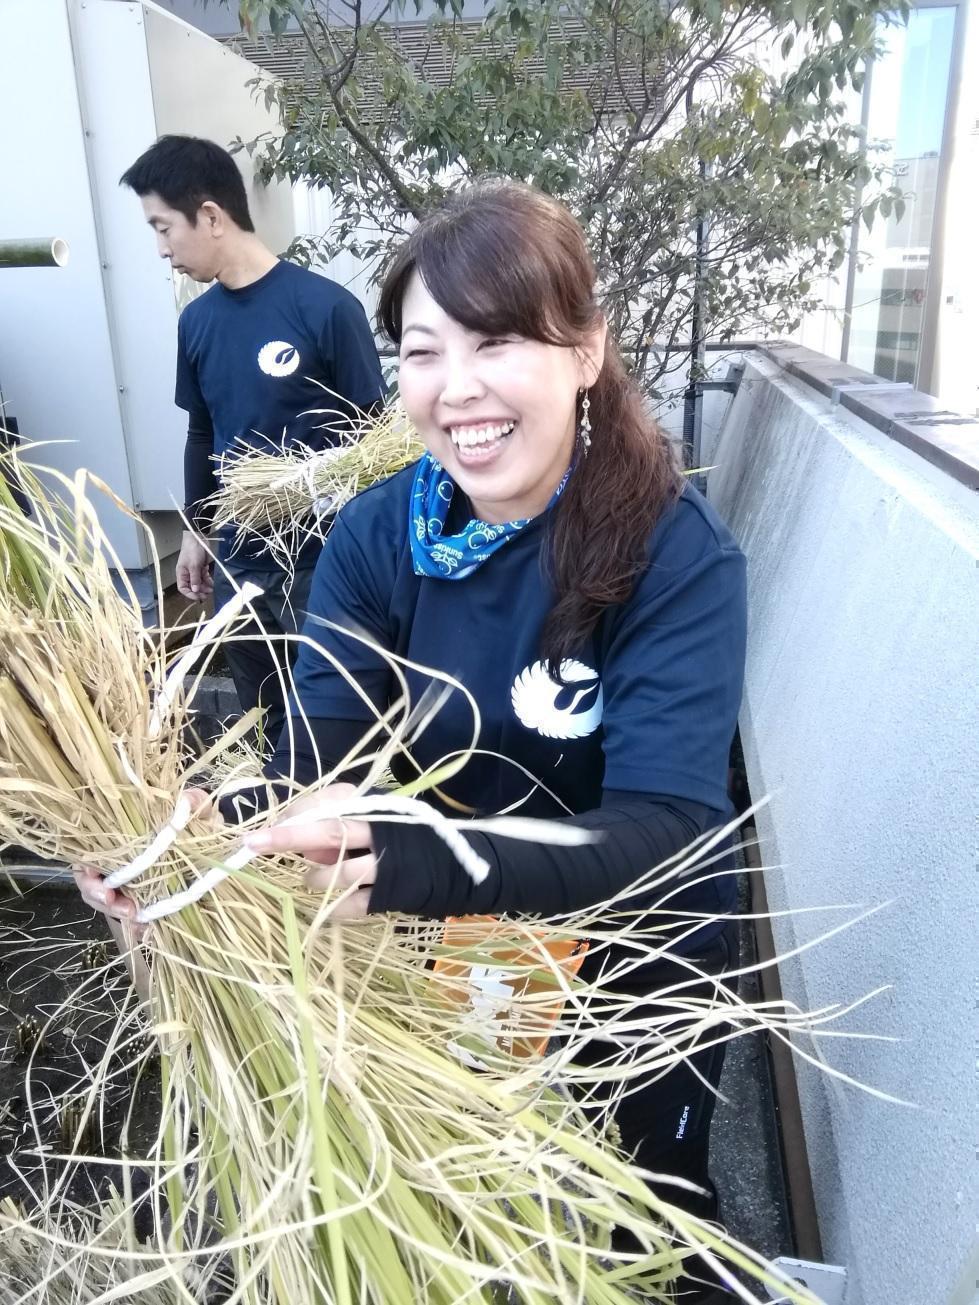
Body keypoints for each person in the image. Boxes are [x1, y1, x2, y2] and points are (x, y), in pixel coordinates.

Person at [79, 181, 746, 1302]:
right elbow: (320, 773)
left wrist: (405, 863)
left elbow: (671, 826)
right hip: (455, 949)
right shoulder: (378, 535)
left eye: (498, 342)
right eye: (424, 352)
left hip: (636, 966)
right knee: (466, 1212)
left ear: (584, 352)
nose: (458, 389)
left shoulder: (671, 553)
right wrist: (198, 845)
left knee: (636, 1226)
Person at [120, 135, 386, 747]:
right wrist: (196, 531)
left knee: (334, 715)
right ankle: (273, 821)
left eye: (164, 228)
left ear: (210, 216)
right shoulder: (198, 322)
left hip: (322, 557)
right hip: (240, 556)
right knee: (260, 712)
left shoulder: (324, 309)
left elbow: (375, 439)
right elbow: (202, 433)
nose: (162, 250)